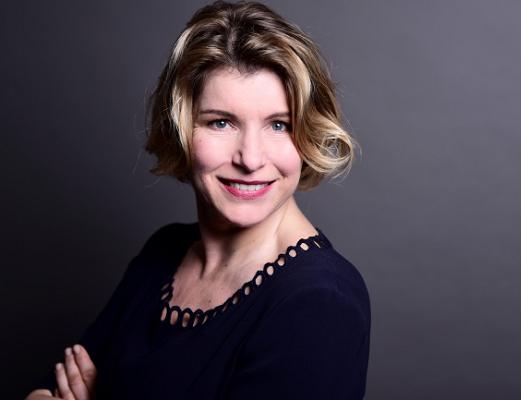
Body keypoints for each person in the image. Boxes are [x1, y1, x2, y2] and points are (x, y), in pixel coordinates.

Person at [26, 1, 370, 399]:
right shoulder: (163, 252)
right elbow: (47, 389)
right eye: (220, 122)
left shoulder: (320, 303)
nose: (250, 159)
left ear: (309, 135)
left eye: (280, 125)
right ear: (180, 128)